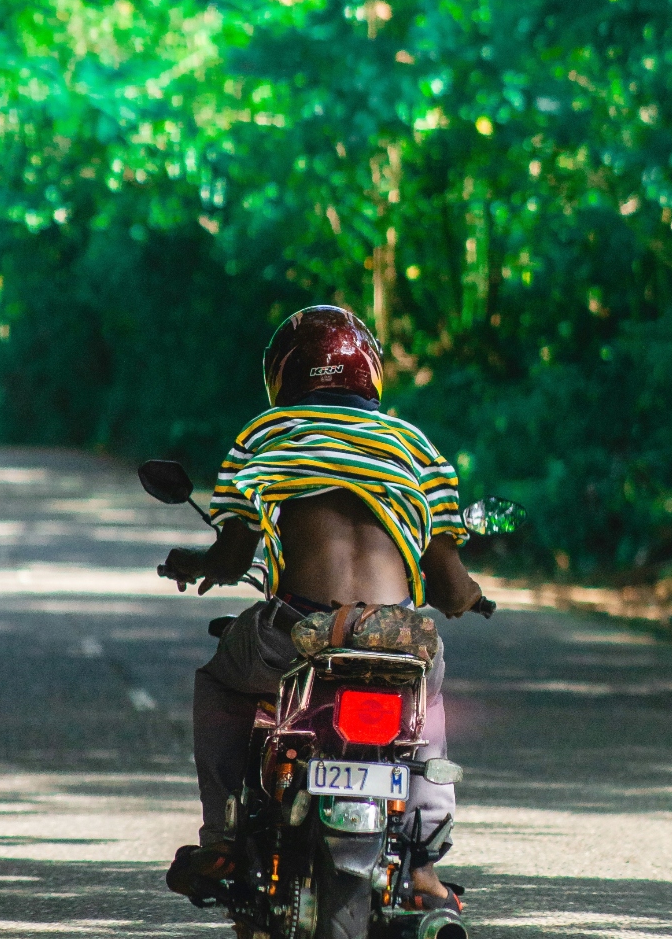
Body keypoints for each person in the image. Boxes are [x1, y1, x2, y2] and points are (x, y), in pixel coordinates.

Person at [160, 305, 487, 907]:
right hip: (396, 637)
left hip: (300, 629)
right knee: (426, 703)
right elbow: (448, 582)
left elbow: (233, 558)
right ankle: (420, 863)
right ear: (371, 372)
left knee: (221, 683)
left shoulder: (264, 434)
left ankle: (223, 835)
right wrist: (471, 597)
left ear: (282, 374)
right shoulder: (414, 444)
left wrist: (195, 563)